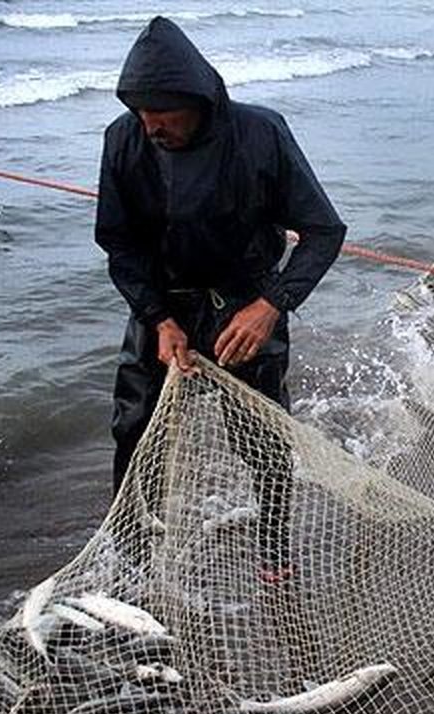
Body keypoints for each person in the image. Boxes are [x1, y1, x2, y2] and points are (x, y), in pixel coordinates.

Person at [95, 17, 346, 583]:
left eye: (165, 117)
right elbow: (119, 241)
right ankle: (132, 554)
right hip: (164, 308)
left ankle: (274, 545)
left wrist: (271, 305)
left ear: (201, 101)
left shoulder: (261, 134)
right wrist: (156, 317)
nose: (152, 128)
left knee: (263, 438)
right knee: (133, 430)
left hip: (244, 306)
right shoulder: (123, 139)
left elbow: (324, 231)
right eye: (143, 116)